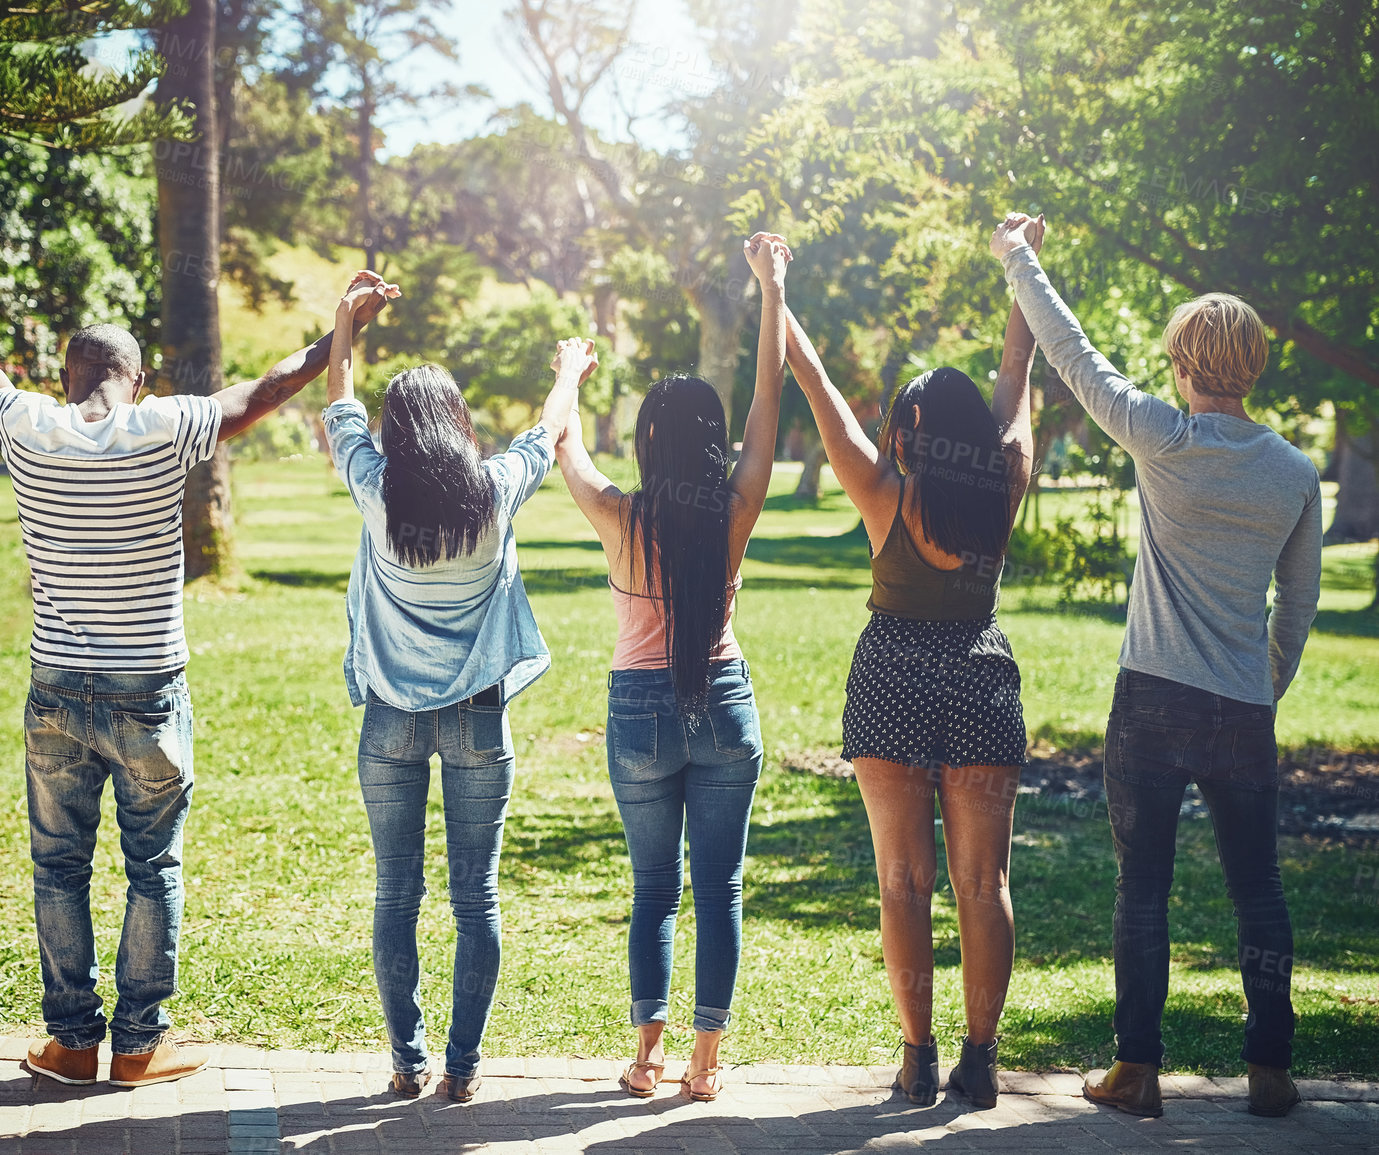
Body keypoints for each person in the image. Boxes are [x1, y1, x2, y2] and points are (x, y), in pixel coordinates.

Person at [0, 218, 394, 1089]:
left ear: (66, 378)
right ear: (137, 379)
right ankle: (140, 1044)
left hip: (56, 688)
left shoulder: (26, 425)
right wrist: (344, 328)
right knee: (153, 865)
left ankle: (71, 1040)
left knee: (58, 865)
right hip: (150, 686)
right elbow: (266, 388)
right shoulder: (167, 426)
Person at [991, 213, 1321, 1119]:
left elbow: (1070, 350)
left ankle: (1135, 1070)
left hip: (1150, 703)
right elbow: (1295, 607)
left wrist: (1016, 255)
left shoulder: (1158, 437)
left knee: (1142, 885)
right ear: (1251, 365)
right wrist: (1263, 686)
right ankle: (1270, 1068)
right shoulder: (1292, 471)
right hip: (1240, 712)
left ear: (1182, 361)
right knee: (1259, 886)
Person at [779, 216, 1043, 1109]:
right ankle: (980, 1056)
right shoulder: (1005, 474)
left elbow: (811, 380)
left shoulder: (880, 490)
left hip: (890, 668)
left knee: (903, 880)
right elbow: (1016, 373)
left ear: (902, 432)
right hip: (979, 667)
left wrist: (774, 287)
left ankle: (917, 1056)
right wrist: (1020, 266)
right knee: (983, 881)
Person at [322, 271, 592, 1103]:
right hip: (477, 718)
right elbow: (545, 434)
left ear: (394, 432)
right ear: (456, 422)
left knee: (394, 891)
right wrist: (569, 372)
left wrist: (346, 323)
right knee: (475, 898)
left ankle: (406, 1060)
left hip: (391, 722)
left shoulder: (374, 492)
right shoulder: (493, 494)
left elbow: (339, 408)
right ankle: (462, 1068)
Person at [553, 232, 789, 1102]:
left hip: (640, 709)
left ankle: (645, 1059)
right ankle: (704, 1064)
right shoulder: (734, 507)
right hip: (723, 701)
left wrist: (568, 376)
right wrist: (771, 289)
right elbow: (768, 391)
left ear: (650, 441)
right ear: (712, 443)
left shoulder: (619, 515)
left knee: (654, 887)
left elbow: (560, 446)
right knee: (717, 888)